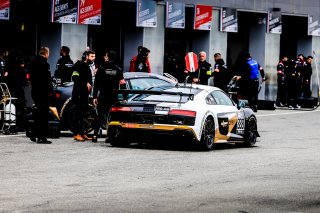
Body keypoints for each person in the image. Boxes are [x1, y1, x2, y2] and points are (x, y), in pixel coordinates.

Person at [92, 50, 127, 142]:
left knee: (99, 116)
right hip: (113, 96)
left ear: (108, 57)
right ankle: (109, 136)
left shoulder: (101, 68)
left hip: (103, 95)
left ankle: (95, 135)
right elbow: (123, 84)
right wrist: (124, 98)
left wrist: (95, 96)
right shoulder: (118, 70)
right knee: (111, 117)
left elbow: (96, 84)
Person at [28, 46, 54, 144]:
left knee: (38, 113)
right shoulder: (45, 64)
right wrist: (52, 92)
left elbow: (30, 77)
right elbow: (48, 80)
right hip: (43, 92)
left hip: (35, 91)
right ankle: (42, 137)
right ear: (46, 53)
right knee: (43, 115)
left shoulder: (33, 63)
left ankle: (34, 133)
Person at [71, 50, 94, 141]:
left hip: (85, 94)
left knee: (83, 114)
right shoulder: (78, 65)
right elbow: (75, 77)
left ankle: (82, 133)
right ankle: (76, 134)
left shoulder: (87, 67)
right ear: (86, 57)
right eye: (92, 56)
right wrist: (86, 83)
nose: (93, 58)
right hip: (78, 94)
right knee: (77, 114)